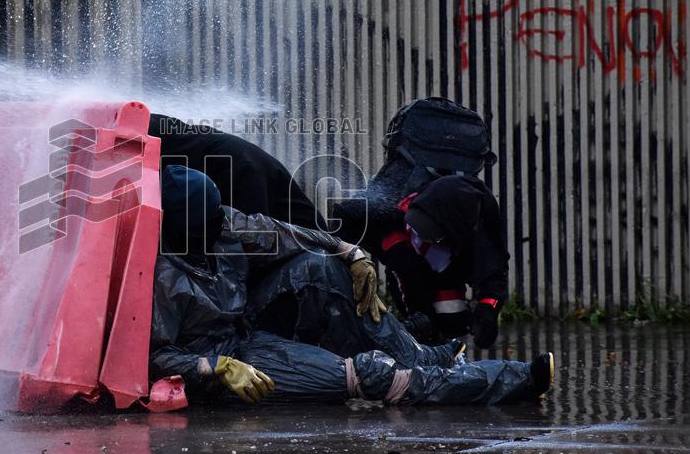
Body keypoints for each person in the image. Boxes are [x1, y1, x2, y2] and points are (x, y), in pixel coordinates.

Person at [150, 166, 554, 405]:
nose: (224, 224)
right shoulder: (161, 277)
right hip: (226, 366)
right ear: (186, 228)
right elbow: (155, 357)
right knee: (373, 375)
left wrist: (351, 253)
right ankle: (510, 379)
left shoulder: (224, 226)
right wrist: (212, 367)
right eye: (212, 221)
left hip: (248, 336)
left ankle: (417, 354)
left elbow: (291, 235)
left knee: (321, 266)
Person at [334, 173, 508, 349]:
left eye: (431, 235)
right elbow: (342, 221)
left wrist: (488, 309)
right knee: (422, 324)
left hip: (447, 268)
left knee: (454, 321)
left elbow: (495, 273)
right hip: (407, 263)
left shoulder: (478, 235)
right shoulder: (389, 217)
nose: (422, 237)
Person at [148, 113, 327, 230]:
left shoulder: (238, 169)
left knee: (251, 237)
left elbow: (254, 241)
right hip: (234, 163)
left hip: (239, 168)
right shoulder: (150, 129)